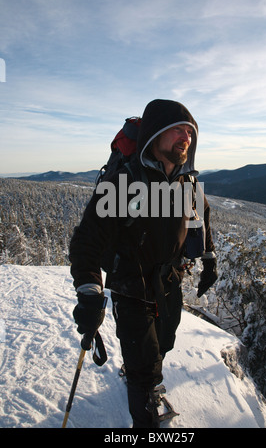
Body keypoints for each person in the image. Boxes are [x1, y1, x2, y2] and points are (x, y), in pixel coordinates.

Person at [69, 99, 218, 428]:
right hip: (130, 286)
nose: (186, 136)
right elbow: (87, 241)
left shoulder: (186, 181)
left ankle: (143, 375)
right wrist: (89, 291)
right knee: (146, 368)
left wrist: (208, 260)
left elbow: (200, 221)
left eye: (190, 131)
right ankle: (145, 415)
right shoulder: (124, 183)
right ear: (154, 134)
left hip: (169, 283)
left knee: (164, 343)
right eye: (177, 129)